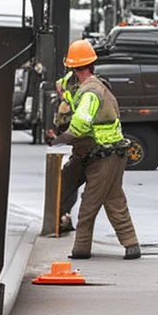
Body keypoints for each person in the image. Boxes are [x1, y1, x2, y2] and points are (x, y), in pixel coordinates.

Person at [52, 40, 141, 260]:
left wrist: (60, 138)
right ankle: (131, 244)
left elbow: (81, 125)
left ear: (74, 67)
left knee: (90, 204)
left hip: (104, 156)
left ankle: (81, 249)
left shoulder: (91, 93)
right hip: (93, 154)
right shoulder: (81, 84)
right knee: (112, 199)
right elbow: (63, 84)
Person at [48, 70, 85, 234]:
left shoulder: (81, 98)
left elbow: (77, 129)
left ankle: (62, 217)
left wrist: (57, 139)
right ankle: (64, 216)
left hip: (90, 151)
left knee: (66, 182)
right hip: (87, 150)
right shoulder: (75, 92)